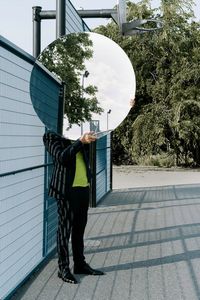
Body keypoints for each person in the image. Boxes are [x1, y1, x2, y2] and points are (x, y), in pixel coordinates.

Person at [43, 130, 104, 284]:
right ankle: (63, 268)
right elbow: (62, 158)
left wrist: (126, 106)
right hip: (66, 190)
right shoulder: (51, 136)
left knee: (79, 229)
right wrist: (80, 142)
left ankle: (80, 264)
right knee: (64, 230)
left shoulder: (79, 132)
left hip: (83, 187)